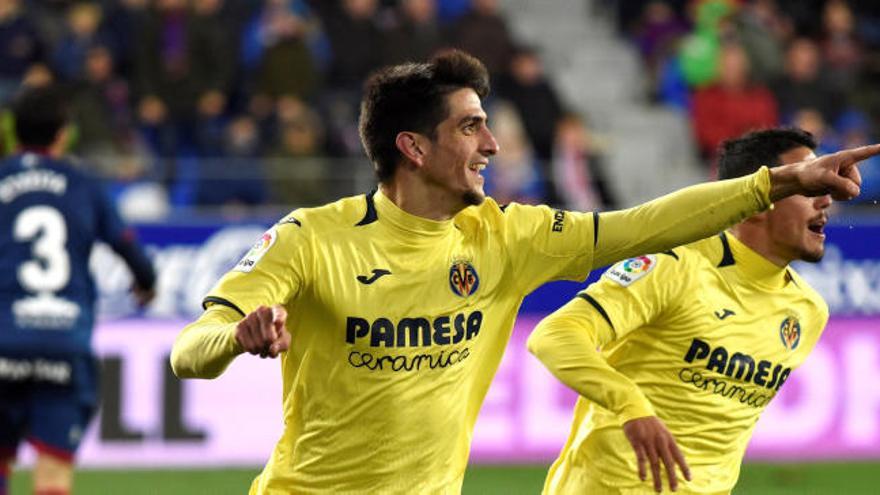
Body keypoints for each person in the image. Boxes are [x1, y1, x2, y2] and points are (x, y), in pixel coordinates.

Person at [170, 50, 877, 494]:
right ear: (413, 147)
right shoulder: (312, 237)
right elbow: (188, 350)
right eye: (471, 127)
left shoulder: (507, 236)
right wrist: (237, 337)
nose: (494, 142)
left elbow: (640, 224)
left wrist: (775, 184)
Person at [528, 128, 838, 494]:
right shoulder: (675, 265)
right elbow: (554, 335)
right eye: (808, 190)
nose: (826, 202)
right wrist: (631, 405)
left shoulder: (808, 311)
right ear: (759, 201)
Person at [0, 86, 156, 495]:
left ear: (14, 132)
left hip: (3, 341)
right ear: (64, 134)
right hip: (63, 343)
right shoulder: (82, 184)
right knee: (53, 477)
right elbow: (131, 252)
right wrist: (146, 285)